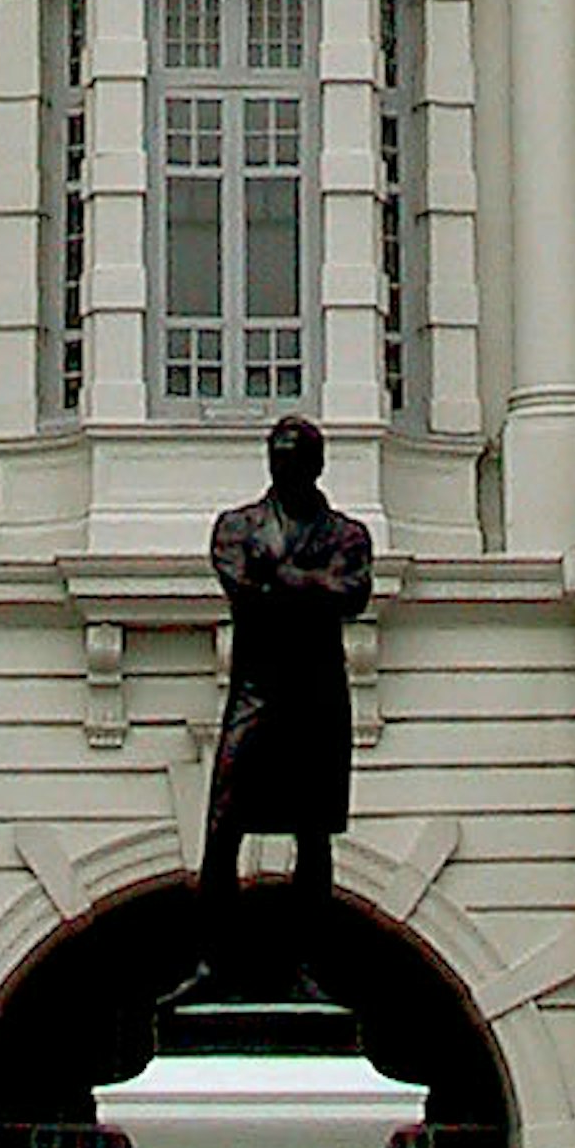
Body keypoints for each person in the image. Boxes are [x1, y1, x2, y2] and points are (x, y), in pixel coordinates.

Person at [197, 411, 375, 960]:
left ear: (316, 464)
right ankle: (215, 958)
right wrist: (311, 583)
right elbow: (245, 588)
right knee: (223, 825)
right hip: (257, 690)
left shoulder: (347, 533)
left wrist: (282, 580)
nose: (284, 462)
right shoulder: (238, 526)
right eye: (277, 452)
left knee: (313, 833)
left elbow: (350, 595)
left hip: (317, 694)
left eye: (295, 454)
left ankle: (309, 963)